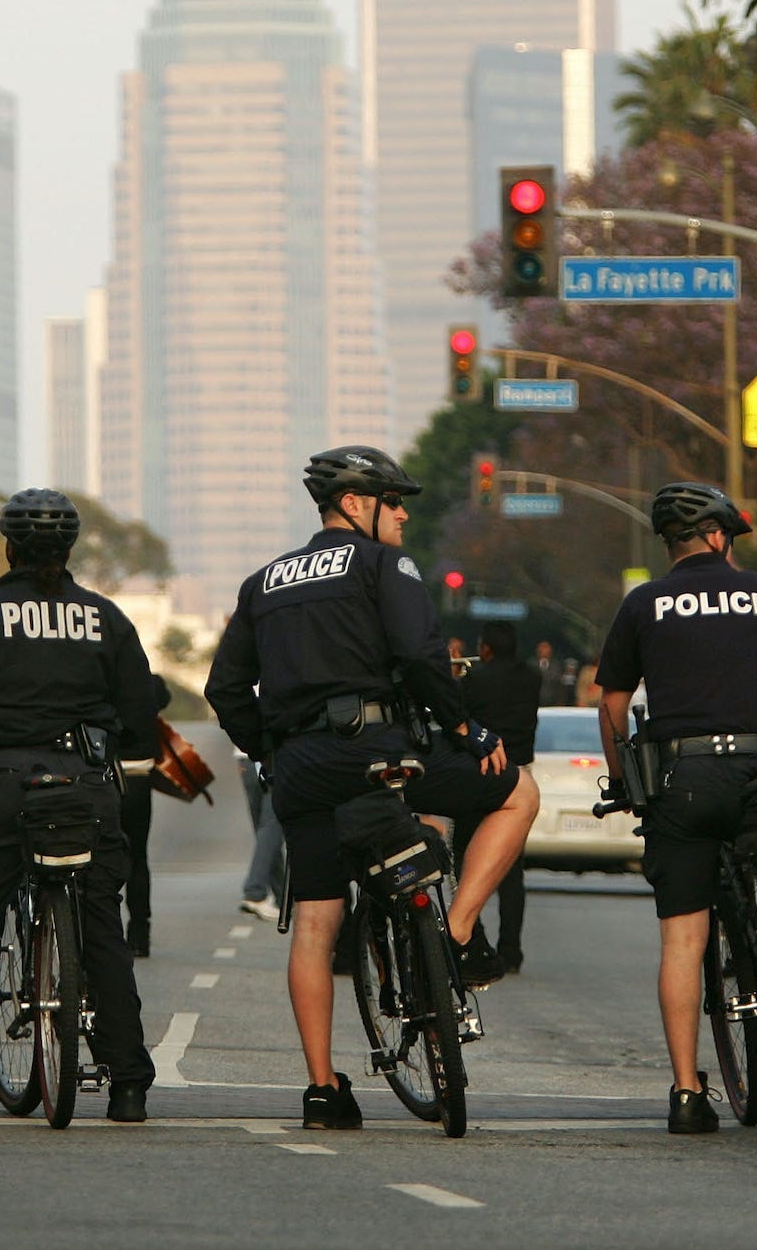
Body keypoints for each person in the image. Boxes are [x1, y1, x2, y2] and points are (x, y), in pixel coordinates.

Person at [205, 446, 539, 1130]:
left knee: (316, 924)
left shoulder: (261, 582)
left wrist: (272, 749)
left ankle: (323, 1088)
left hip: (302, 768)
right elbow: (420, 656)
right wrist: (467, 728)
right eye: (394, 500)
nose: (404, 512)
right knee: (519, 792)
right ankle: (457, 924)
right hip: (383, 751)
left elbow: (225, 689)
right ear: (355, 504)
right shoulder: (384, 565)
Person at [0, 489, 157, 1122]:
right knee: (102, 932)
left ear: (8, 548)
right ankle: (126, 1085)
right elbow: (142, 720)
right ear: (69, 550)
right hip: (85, 787)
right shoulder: (106, 618)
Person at [595, 482, 757, 1135]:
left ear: (671, 542)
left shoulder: (644, 603)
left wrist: (623, 781)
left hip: (682, 778)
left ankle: (689, 1091)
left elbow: (612, 706)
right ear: (720, 536)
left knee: (684, 938)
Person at [456, 620, 541, 972]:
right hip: (520, 772)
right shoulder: (532, 678)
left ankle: (471, 935)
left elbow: (458, 717)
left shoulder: (474, 679)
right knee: (511, 871)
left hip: (481, 772)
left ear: (486, 649)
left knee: (466, 858)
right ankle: (512, 950)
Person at [119, 673, 171, 957]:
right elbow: (163, 697)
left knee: (101, 860)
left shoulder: (96, 676)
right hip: (138, 777)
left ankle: (104, 935)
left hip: (102, 777)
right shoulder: (147, 684)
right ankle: (140, 933)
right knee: (138, 857)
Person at [237, 748, 284, 921]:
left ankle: (283, 898)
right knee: (271, 827)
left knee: (266, 832)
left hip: (246, 759)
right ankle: (255, 891)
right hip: (276, 756)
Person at [535, 639, 567, 706]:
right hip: (535, 702)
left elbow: (560, 686)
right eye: (542, 647)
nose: (544, 650)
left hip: (553, 703)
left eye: (546, 647)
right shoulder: (531, 665)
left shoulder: (557, 666)